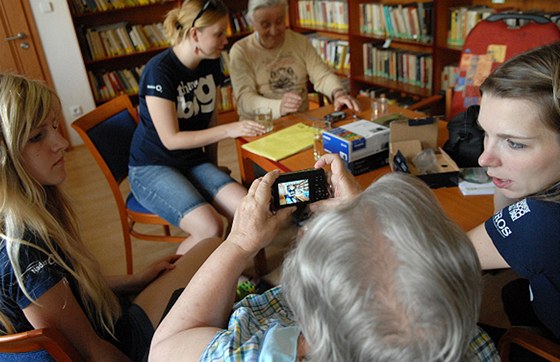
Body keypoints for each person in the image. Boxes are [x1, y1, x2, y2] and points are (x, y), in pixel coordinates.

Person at [149, 153, 499, 361]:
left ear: (308, 332)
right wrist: (358, 214)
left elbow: (166, 347)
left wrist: (239, 243)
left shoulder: (253, 352)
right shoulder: (473, 343)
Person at [0, 73, 223, 361]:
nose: (61, 143)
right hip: (121, 342)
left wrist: (135, 279)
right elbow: (89, 350)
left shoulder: (31, 209)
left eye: (54, 127)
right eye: (37, 136)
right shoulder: (23, 251)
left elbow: (69, 285)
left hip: (108, 314)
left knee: (209, 258)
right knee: (215, 249)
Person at [128, 0, 266, 254]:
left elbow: (210, 117)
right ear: (195, 34)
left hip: (192, 161)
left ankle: (220, 272)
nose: (226, 39)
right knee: (210, 227)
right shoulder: (159, 71)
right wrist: (230, 129)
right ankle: (176, 284)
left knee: (249, 210)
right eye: (219, 33)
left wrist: (211, 164)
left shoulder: (211, 61)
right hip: (153, 166)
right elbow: (171, 139)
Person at [467, 41, 560, 342]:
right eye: (486, 133)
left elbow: (436, 257)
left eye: (515, 143)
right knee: (514, 290)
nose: (484, 159)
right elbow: (503, 222)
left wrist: (356, 205)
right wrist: (506, 175)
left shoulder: (542, 222)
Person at [228, 0, 361, 121]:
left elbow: (322, 76)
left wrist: (338, 93)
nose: (274, 31)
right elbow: (245, 99)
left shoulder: (300, 42)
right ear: (252, 23)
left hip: (299, 122)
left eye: (280, 21)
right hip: (259, 125)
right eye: (265, 25)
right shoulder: (241, 51)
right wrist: (279, 106)